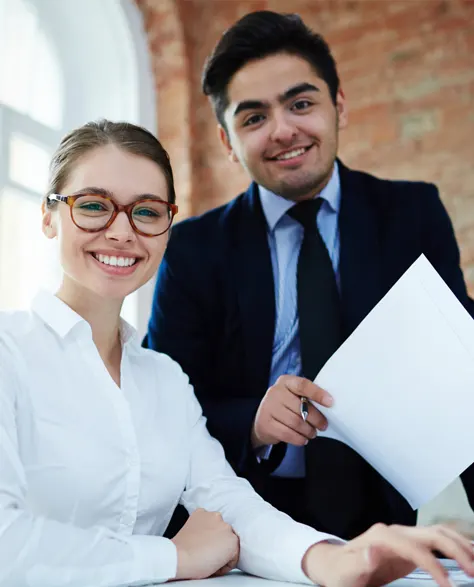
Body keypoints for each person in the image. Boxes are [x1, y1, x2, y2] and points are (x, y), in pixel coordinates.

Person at [3, 119, 473, 587]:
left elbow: (230, 503)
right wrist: (173, 557)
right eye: (92, 205)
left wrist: (336, 561)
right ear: (48, 216)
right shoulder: (9, 352)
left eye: (146, 212)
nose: (122, 232)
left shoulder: (163, 378)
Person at [145, 10, 474, 541]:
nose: (283, 130)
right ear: (228, 143)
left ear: (338, 105)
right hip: (241, 514)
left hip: (380, 513)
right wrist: (251, 421)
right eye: (253, 118)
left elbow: (460, 370)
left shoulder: (413, 215)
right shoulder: (191, 249)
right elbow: (162, 401)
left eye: (301, 104)